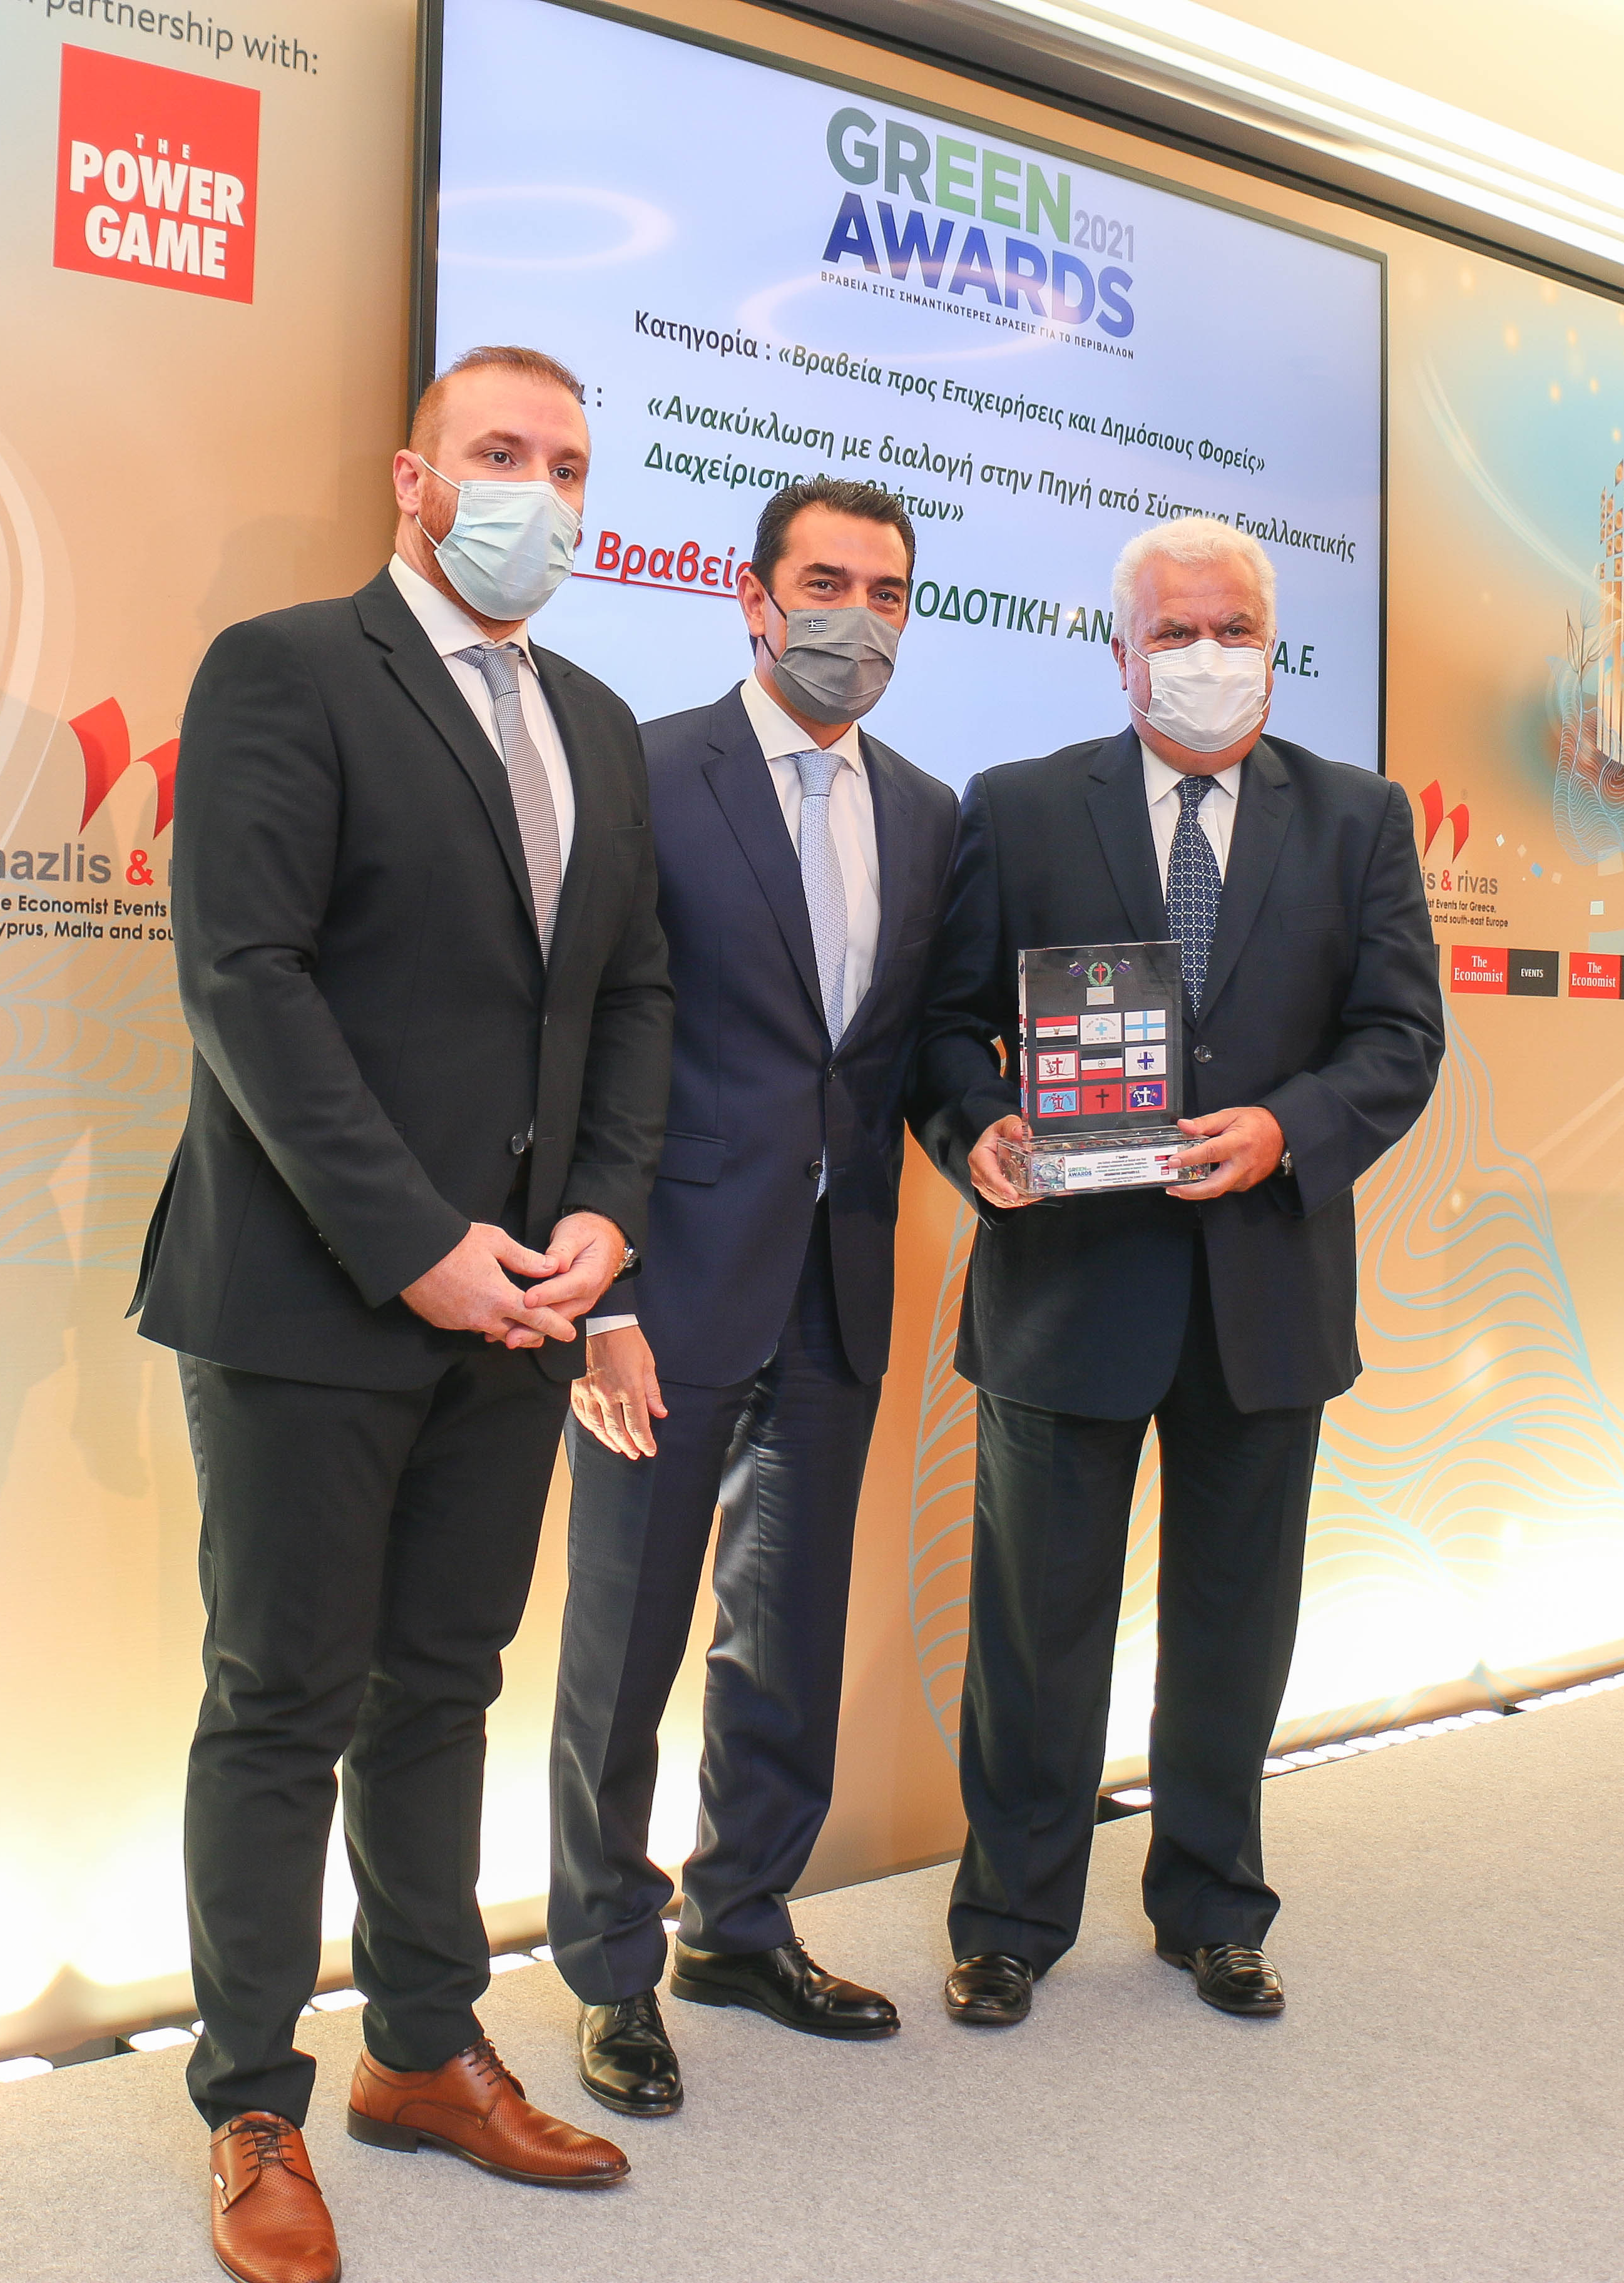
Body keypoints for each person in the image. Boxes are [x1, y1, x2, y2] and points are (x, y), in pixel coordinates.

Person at [132, 345, 672, 2283]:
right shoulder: (286, 669)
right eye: (498, 453)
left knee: (442, 1689)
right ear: (412, 478)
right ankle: (251, 2101)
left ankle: (424, 2052)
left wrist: (601, 1217)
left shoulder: (597, 720)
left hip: (517, 1308)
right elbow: (245, 978)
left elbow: (630, 996)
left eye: (569, 464)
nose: (537, 490)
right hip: (305, 1294)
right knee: (281, 1701)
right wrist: (414, 1238)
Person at [911, 514, 1443, 2026]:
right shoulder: (1019, 807)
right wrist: (977, 1130)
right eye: (1174, 632)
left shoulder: (1357, 818)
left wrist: (1286, 1131)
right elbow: (945, 1029)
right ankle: (1009, 1916)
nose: (1206, 657)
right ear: (1120, 651)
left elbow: (1399, 1037)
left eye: (1234, 631)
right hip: (1065, 1287)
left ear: (1273, 648)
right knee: (1034, 1631)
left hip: (1264, 1295)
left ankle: (1213, 1907)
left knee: (1233, 1627)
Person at [547, 478, 956, 2115]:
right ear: (754, 597)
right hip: (656, 1297)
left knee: (785, 1637)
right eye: (826, 583)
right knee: (624, 1645)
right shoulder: (646, 773)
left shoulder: (926, 810)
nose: (858, 618)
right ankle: (608, 1971)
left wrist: (999, 1137)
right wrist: (601, 1298)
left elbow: (903, 1055)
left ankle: (740, 1923)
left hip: (835, 1287)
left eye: (887, 592)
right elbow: (579, 1043)